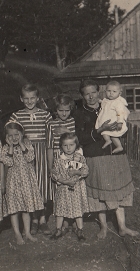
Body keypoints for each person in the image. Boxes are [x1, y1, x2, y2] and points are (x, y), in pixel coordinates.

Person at [73, 79, 139, 239]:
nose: (91, 97)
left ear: (99, 92)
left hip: (115, 155)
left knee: (119, 190)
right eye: (86, 94)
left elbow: (123, 124)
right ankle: (103, 227)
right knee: (99, 193)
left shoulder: (108, 104)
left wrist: (120, 127)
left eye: (93, 92)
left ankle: (122, 227)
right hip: (95, 155)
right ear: (82, 96)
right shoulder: (79, 113)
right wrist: (99, 131)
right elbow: (80, 137)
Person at [10, 84, 53, 235]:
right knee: (30, 186)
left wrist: (50, 161)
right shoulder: (16, 116)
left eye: (32, 98)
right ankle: (33, 220)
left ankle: (42, 219)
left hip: (41, 153)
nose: (29, 101)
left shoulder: (45, 115)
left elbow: (50, 139)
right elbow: (11, 134)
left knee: (42, 186)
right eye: (26, 98)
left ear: (38, 98)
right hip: (25, 154)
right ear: (21, 99)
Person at [1, 121, 44, 245]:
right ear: (6, 137)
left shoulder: (27, 144)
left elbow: (30, 158)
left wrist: (21, 144)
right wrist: (10, 147)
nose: (14, 138)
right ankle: (17, 234)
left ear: (22, 134)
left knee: (26, 208)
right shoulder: (5, 148)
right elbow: (8, 162)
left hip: (26, 181)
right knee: (14, 210)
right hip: (13, 182)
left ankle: (27, 233)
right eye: (10, 136)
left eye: (16, 134)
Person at [47, 94, 79, 234]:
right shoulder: (51, 124)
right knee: (60, 191)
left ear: (71, 109)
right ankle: (63, 220)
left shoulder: (73, 122)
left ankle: (71, 219)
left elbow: (78, 140)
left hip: (72, 158)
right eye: (61, 110)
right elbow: (49, 146)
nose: (64, 113)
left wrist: (68, 131)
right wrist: (50, 166)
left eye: (67, 110)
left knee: (72, 187)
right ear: (56, 110)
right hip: (57, 157)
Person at [50, 132, 89, 241]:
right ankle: (58, 229)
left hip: (77, 189)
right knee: (61, 209)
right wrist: (64, 181)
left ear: (76, 145)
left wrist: (77, 172)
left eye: (71, 145)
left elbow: (85, 171)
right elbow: (54, 174)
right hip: (64, 189)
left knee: (77, 209)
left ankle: (80, 230)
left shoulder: (80, 158)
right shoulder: (59, 160)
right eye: (65, 145)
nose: (68, 148)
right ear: (61, 146)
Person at [95, 81, 130, 153]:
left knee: (114, 135)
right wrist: (100, 101)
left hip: (114, 122)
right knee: (104, 132)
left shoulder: (118, 102)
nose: (111, 93)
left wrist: (120, 122)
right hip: (106, 122)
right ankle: (108, 141)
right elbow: (104, 103)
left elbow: (120, 113)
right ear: (105, 91)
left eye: (114, 91)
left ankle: (119, 146)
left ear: (119, 93)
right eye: (109, 91)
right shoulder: (106, 100)